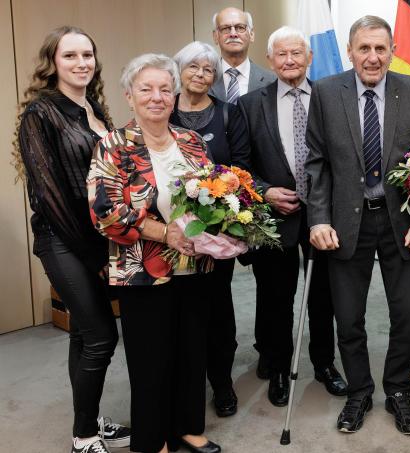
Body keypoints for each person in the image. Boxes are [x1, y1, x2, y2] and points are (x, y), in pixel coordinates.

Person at [306, 15, 410, 435]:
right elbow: (317, 163)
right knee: (348, 317)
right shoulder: (326, 92)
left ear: (393, 51)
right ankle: (359, 391)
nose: (373, 57)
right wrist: (319, 218)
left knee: (405, 316)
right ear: (350, 51)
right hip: (346, 224)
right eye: (365, 48)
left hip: (401, 223)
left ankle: (398, 391)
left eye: (381, 48)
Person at [87, 53, 222, 453]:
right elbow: (105, 213)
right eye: (146, 89)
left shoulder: (192, 142)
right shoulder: (112, 146)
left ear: (175, 95)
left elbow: (215, 193)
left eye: (165, 89)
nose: (157, 97)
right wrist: (165, 233)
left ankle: (187, 427)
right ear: (129, 96)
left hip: (195, 265)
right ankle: (152, 440)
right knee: (150, 359)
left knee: (191, 350)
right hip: (141, 270)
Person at [15, 26, 130, 453]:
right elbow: (49, 195)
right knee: (102, 336)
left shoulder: (94, 109)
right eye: (70, 56)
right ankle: (83, 438)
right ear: (53, 63)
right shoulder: (41, 113)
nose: (82, 63)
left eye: (88, 54)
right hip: (63, 241)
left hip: (96, 241)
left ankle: (91, 419)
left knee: (84, 333)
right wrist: (96, 253)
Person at [238, 26, 346, 407]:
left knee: (323, 297)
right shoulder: (250, 104)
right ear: (270, 60)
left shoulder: (331, 98)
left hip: (323, 216)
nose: (289, 60)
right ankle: (279, 367)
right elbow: (240, 164)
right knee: (276, 298)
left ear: (309, 57)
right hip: (274, 218)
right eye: (281, 54)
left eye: (296, 53)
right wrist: (264, 190)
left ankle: (324, 364)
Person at [169, 41, 250, 418]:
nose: (200, 75)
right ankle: (184, 384)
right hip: (170, 233)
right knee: (180, 311)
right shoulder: (161, 108)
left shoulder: (230, 113)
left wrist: (223, 205)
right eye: (193, 68)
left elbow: (241, 167)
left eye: (208, 70)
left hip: (217, 230)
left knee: (218, 308)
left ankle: (221, 383)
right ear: (179, 70)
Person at [209, 6, 276, 103]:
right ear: (215, 36)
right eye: (226, 28)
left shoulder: (272, 81)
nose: (233, 34)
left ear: (251, 35)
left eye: (240, 27)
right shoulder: (204, 79)